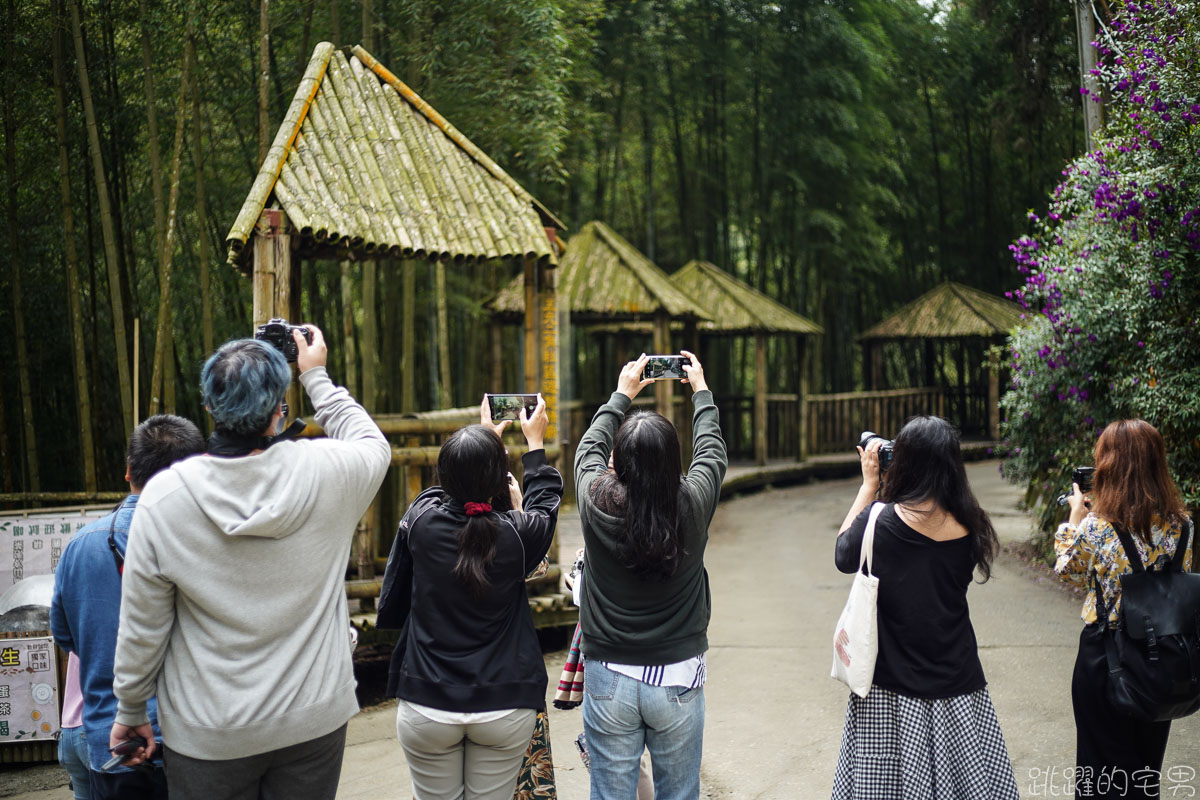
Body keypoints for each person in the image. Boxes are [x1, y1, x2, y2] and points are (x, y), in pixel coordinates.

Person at [109, 325, 390, 800]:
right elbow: (372, 442)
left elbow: (143, 625)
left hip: (209, 731)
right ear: (278, 411)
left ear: (208, 407)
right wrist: (316, 376)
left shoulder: (165, 498)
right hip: (313, 718)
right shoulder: (328, 471)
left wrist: (130, 710)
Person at [377, 395, 562, 800]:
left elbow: (449, 499)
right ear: (500, 478)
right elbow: (545, 504)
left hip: (427, 701)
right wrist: (534, 445)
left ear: (443, 474)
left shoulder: (422, 521)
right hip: (504, 703)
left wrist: (484, 441)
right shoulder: (517, 535)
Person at [831, 416, 1018, 799]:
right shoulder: (972, 526)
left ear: (905, 462)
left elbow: (843, 553)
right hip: (958, 683)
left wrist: (869, 486)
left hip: (889, 687)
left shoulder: (879, 521)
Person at [574, 351, 727, 800]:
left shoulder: (595, 500)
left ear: (617, 462)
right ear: (672, 462)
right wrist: (700, 391)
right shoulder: (693, 503)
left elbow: (587, 450)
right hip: (678, 676)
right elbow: (712, 451)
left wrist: (622, 394)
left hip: (608, 675)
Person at [51, 414, 206, 800]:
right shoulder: (206, 541)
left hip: (112, 742)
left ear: (127, 472)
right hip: (195, 738)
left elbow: (66, 635)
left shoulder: (81, 546)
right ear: (195, 476)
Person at [1055, 418, 1192, 798]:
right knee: (1145, 771)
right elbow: (1174, 580)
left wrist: (1074, 518)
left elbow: (1067, 569)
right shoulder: (1184, 525)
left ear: (1111, 465)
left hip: (1106, 657)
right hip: (1161, 656)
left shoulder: (1098, 526)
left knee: (1101, 772)